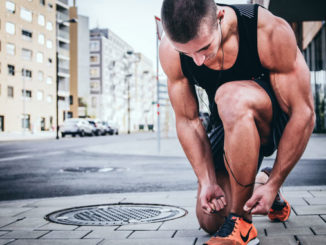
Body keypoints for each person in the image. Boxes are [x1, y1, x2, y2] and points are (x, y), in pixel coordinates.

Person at [159, 0, 315, 244]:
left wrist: (276, 181)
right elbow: (188, 121)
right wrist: (207, 181)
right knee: (210, 220)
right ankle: (258, 181)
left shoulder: (267, 30)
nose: (197, 61)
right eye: (186, 53)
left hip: (272, 119)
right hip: (227, 121)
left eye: (204, 48)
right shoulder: (170, 50)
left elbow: (303, 113)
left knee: (230, 96)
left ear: (220, 17)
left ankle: (242, 225)